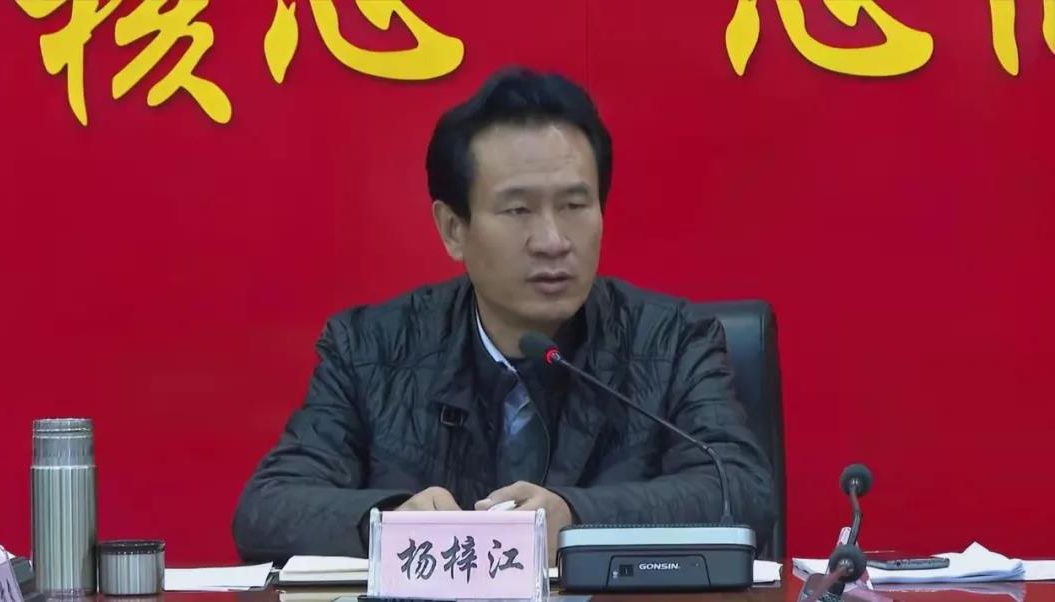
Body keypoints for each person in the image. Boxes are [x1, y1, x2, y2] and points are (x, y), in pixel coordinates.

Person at [232, 66, 775, 564]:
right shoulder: (370, 349)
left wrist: (576, 518)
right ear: (453, 229)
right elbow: (268, 510)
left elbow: (742, 492)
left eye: (574, 206)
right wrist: (391, 522)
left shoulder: (672, 341)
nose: (553, 241)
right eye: (518, 210)